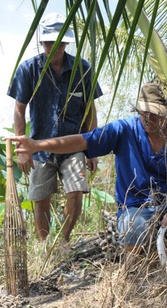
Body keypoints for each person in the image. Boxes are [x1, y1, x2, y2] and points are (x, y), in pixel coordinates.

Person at [8, 82, 167, 253]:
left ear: (166, 114)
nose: (150, 118)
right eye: (145, 113)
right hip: (134, 208)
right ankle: (136, 277)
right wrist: (38, 145)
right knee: (134, 230)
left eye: (156, 114)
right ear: (138, 110)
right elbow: (81, 141)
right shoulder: (123, 130)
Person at [7, 12, 103, 243]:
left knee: (76, 192)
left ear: (65, 42)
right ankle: (44, 246)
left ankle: (64, 240)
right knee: (40, 199)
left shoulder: (83, 69)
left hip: (74, 146)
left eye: (57, 42)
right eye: (48, 42)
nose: (52, 47)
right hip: (39, 147)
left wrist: (93, 149)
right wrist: (22, 148)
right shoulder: (28, 70)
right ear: (42, 42)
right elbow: (19, 109)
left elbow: (90, 109)